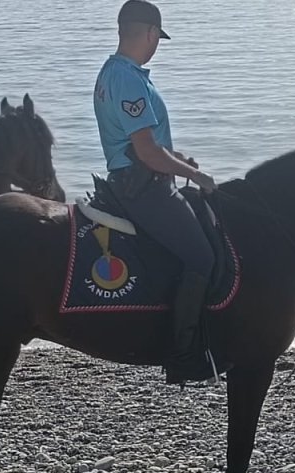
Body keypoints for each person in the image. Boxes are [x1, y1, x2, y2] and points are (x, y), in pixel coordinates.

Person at [93, 0, 222, 384]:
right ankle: (182, 355)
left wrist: (178, 159)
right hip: (143, 187)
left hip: (136, 175)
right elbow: (147, 152)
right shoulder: (130, 80)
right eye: (157, 38)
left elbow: (138, 142)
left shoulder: (115, 72)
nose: (157, 45)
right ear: (150, 32)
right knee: (202, 258)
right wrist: (197, 177)